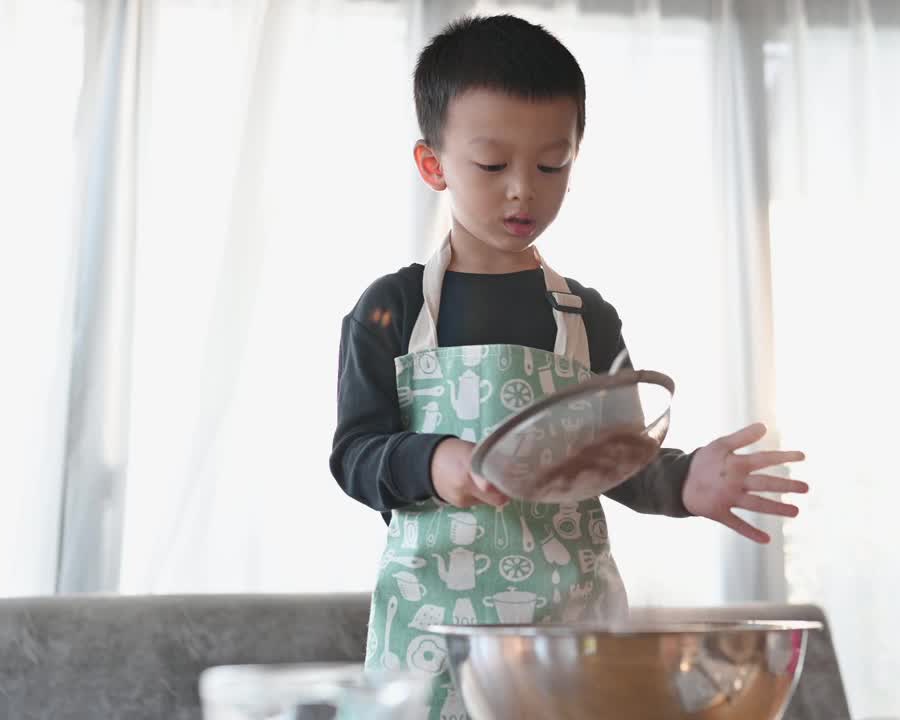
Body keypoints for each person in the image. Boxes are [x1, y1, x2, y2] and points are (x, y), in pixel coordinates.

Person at [329, 13, 808, 718]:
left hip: (570, 636)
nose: (524, 188)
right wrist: (435, 461)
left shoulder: (587, 318)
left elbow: (619, 461)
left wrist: (684, 481)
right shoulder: (392, 310)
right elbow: (355, 455)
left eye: (551, 164)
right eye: (493, 165)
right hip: (431, 633)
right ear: (434, 164)